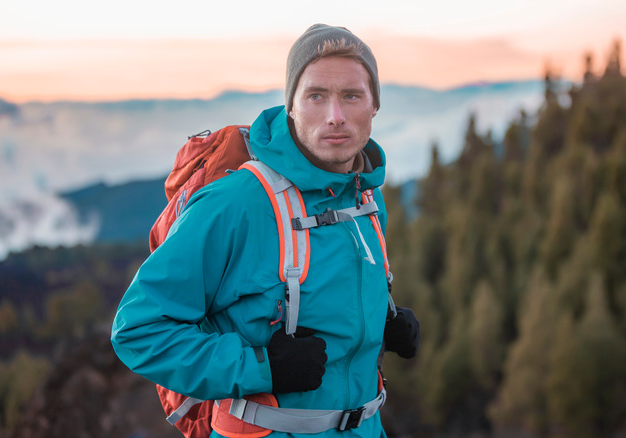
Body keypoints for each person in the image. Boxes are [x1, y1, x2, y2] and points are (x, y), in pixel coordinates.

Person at [111, 24, 420, 438]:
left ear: (374, 106)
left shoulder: (365, 199)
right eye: (316, 96)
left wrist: (381, 322)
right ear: (290, 105)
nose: (335, 116)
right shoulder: (239, 202)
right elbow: (137, 330)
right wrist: (260, 367)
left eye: (352, 96)